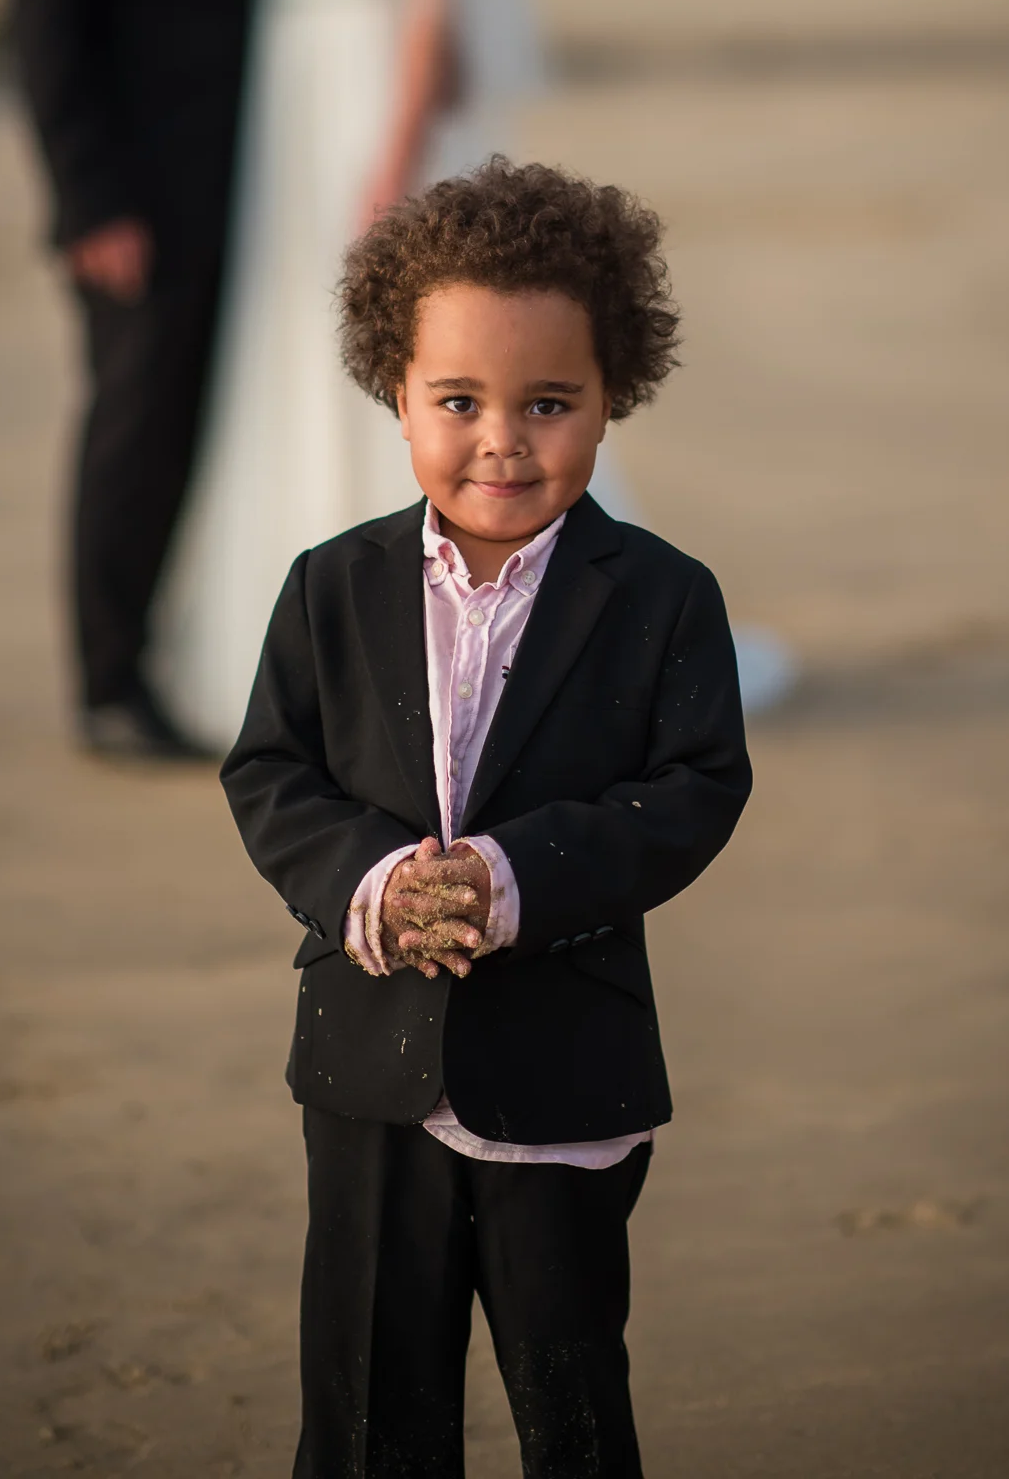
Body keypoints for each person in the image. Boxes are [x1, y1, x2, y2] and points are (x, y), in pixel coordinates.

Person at [222, 158, 753, 1479]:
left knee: (570, 1399)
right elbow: (271, 772)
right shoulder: (327, 591)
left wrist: (516, 877)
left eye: (548, 403)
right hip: (367, 1064)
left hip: (565, 1072)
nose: (500, 439)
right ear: (393, 393)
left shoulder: (662, 599)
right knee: (361, 1405)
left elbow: (693, 788)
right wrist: (376, 885)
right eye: (456, 400)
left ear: (611, 396)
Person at [147, 0, 549, 752]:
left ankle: (451, 654)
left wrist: (394, 157)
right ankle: (305, 650)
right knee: (290, 349)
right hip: (291, 97)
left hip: (370, 94)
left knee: (399, 351)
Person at [11, 0, 263, 758]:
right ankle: (108, 684)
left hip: (247, 197)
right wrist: (89, 203)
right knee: (133, 432)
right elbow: (46, 32)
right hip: (134, 209)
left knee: (208, 427)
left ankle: (186, 653)